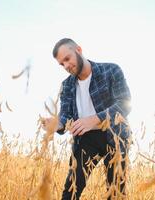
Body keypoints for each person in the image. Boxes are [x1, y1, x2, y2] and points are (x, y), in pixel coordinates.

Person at [42, 38, 132, 200]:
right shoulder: (67, 85)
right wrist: (57, 124)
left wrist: (94, 119)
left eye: (67, 59)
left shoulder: (111, 70)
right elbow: (66, 116)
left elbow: (124, 105)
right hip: (86, 139)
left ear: (79, 50)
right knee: (70, 191)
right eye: (62, 64)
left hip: (116, 135)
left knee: (116, 192)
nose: (66, 66)